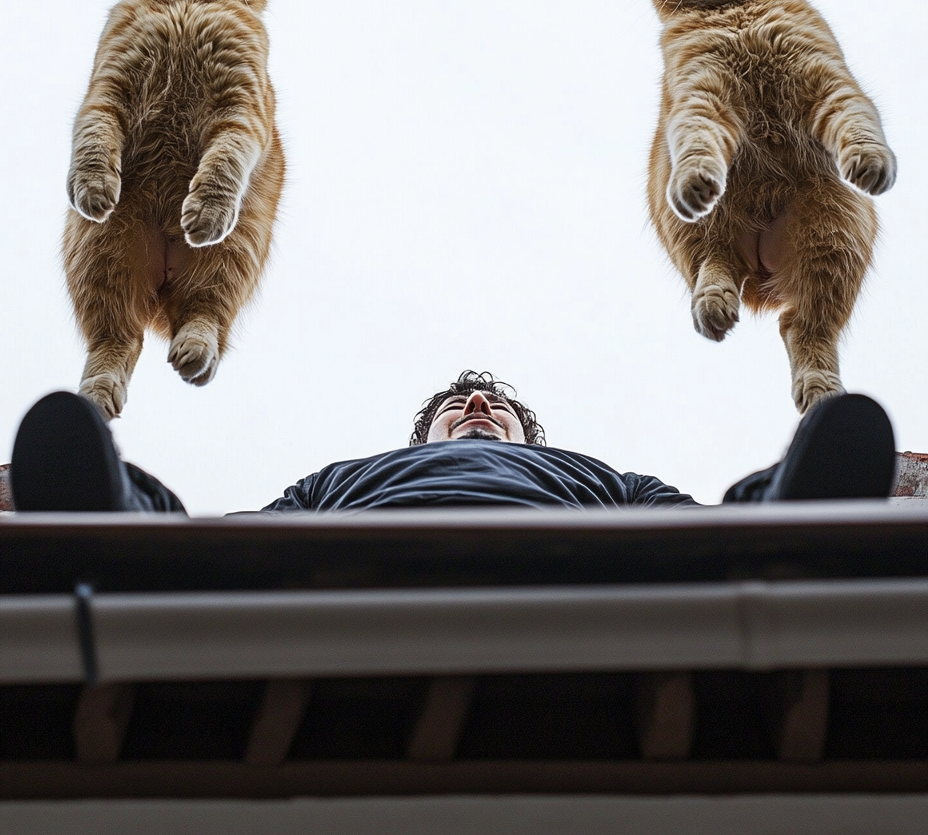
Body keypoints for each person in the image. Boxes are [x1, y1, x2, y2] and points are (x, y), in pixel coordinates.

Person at [8, 370, 896, 514]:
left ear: (528, 438)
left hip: (569, 565)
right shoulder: (349, 475)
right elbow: (247, 528)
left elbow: (693, 523)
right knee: (168, 525)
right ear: (424, 435)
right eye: (459, 404)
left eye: (494, 404)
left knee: (741, 514)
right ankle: (104, 504)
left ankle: (801, 505)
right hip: (361, 559)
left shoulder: (594, 474)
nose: (477, 403)